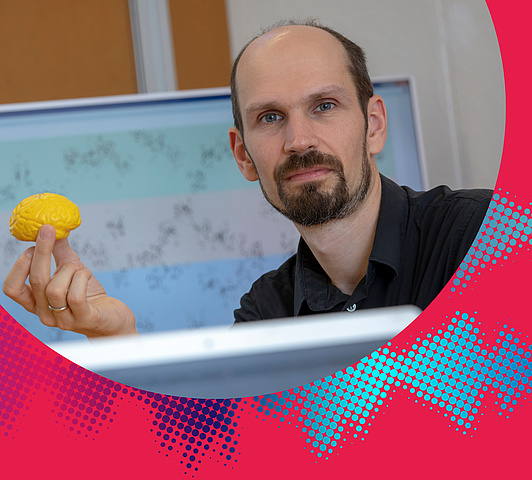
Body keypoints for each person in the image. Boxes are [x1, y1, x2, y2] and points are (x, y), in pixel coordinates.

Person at [2, 21, 492, 338]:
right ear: (243, 156)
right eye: (271, 117)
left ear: (375, 125)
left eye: (324, 106)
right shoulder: (266, 314)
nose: (298, 140)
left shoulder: (486, 235)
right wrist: (118, 338)